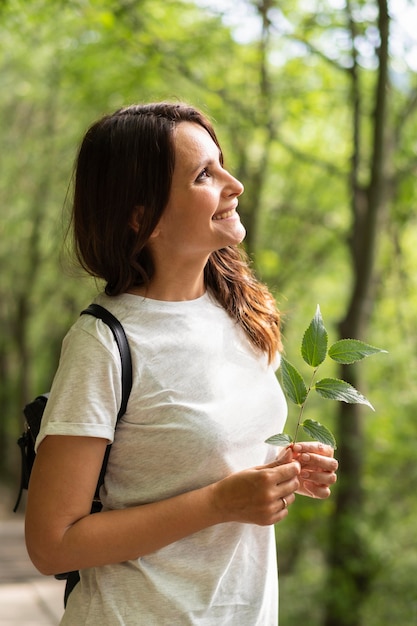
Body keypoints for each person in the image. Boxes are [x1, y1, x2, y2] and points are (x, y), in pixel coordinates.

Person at [25, 102, 338, 625]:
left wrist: (281, 473)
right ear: (140, 215)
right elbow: (52, 544)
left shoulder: (247, 314)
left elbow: (212, 467)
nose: (233, 183)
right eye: (204, 175)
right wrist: (221, 503)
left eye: (222, 164)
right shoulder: (103, 341)